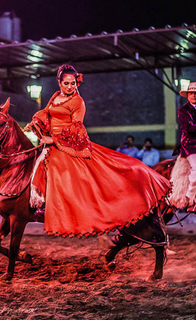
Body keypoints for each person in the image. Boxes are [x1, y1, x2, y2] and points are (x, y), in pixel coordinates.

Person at [24, 64, 171, 237]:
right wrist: (37, 124)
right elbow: (48, 115)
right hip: (48, 141)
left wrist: (53, 139)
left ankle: (48, 208)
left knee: (54, 165)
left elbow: (76, 129)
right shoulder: (55, 96)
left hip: (67, 145)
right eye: (66, 83)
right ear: (59, 82)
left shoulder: (78, 101)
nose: (70, 87)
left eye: (73, 83)